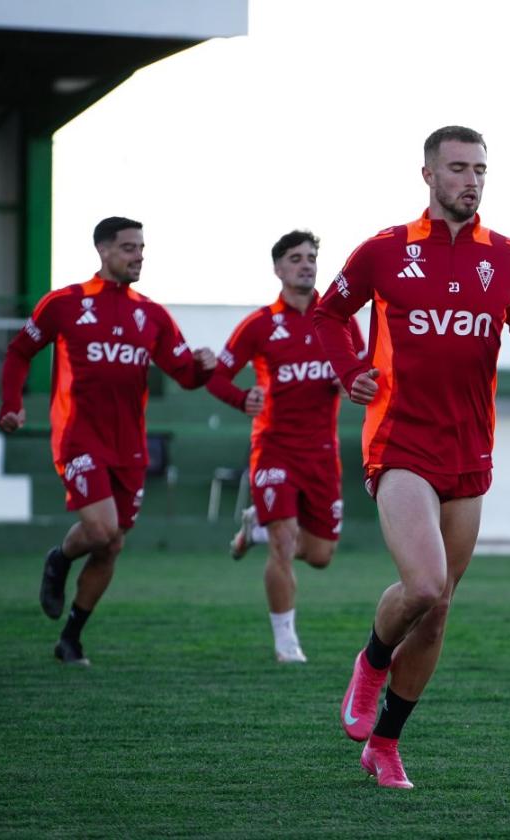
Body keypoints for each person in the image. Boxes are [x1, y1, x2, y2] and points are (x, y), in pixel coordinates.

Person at [313, 126, 510, 789]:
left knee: (441, 605)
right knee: (423, 584)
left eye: (479, 169)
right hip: (400, 441)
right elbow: (330, 318)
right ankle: (371, 662)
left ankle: (386, 744)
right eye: (457, 168)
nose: (470, 180)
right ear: (427, 175)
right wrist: (349, 370)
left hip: (469, 451)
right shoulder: (386, 250)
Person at [0, 217, 215, 666]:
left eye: (141, 247)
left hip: (129, 445)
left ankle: (71, 637)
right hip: (79, 436)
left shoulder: (152, 314)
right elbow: (20, 350)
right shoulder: (66, 303)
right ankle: (58, 558)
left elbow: (185, 376)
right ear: (103, 250)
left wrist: (205, 366)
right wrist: (10, 404)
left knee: (112, 543)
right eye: (129, 247)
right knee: (99, 529)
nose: (139, 255)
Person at [208, 230, 365, 663]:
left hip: (322, 454)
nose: (306, 264)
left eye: (312, 257)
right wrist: (242, 399)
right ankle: (286, 642)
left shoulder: (338, 318)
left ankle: (255, 526)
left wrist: (350, 378)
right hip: (274, 450)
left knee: (320, 555)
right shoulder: (259, 324)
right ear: (278, 268)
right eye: (296, 258)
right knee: (283, 545)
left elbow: (365, 366)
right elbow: (218, 375)